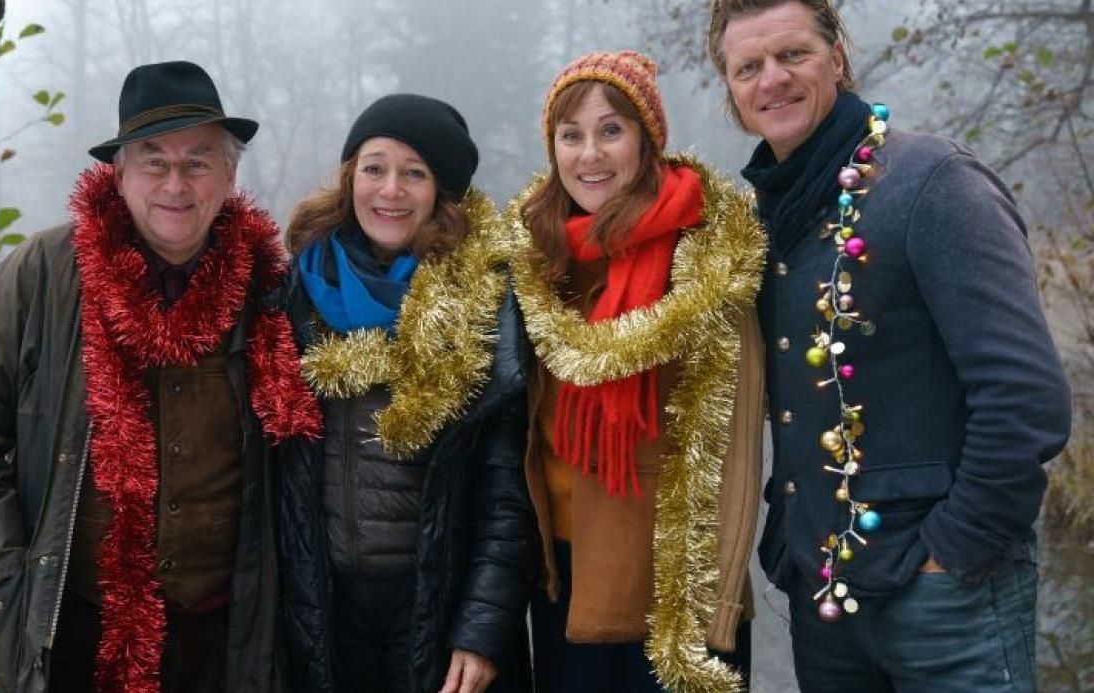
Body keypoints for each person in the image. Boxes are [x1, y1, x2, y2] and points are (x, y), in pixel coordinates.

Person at [0, 60, 321, 693]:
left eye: (198, 160)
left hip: (227, 636)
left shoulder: (270, 289)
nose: (176, 184)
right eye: (154, 160)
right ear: (119, 172)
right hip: (74, 622)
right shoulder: (44, 275)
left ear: (230, 173)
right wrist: (0, 574)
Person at [706, 1, 1073, 690]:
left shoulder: (931, 181)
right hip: (826, 607)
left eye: (793, 55)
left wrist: (953, 551)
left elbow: (1026, 398)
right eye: (747, 67)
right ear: (731, 90)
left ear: (837, 58)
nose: (771, 80)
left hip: (947, 599)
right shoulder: (759, 226)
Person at [502, 51, 766, 692]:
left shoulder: (704, 252)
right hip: (561, 577)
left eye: (611, 131)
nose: (589, 154)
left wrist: (720, 605)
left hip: (677, 592)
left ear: (647, 142)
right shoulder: (536, 259)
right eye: (572, 136)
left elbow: (735, 450)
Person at [274, 93, 536, 693]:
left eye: (413, 173)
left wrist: (482, 627)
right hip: (323, 611)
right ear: (350, 177)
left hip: (437, 610)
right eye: (374, 168)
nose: (389, 190)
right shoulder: (296, 293)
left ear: (440, 192)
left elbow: (508, 489)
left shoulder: (483, 302)